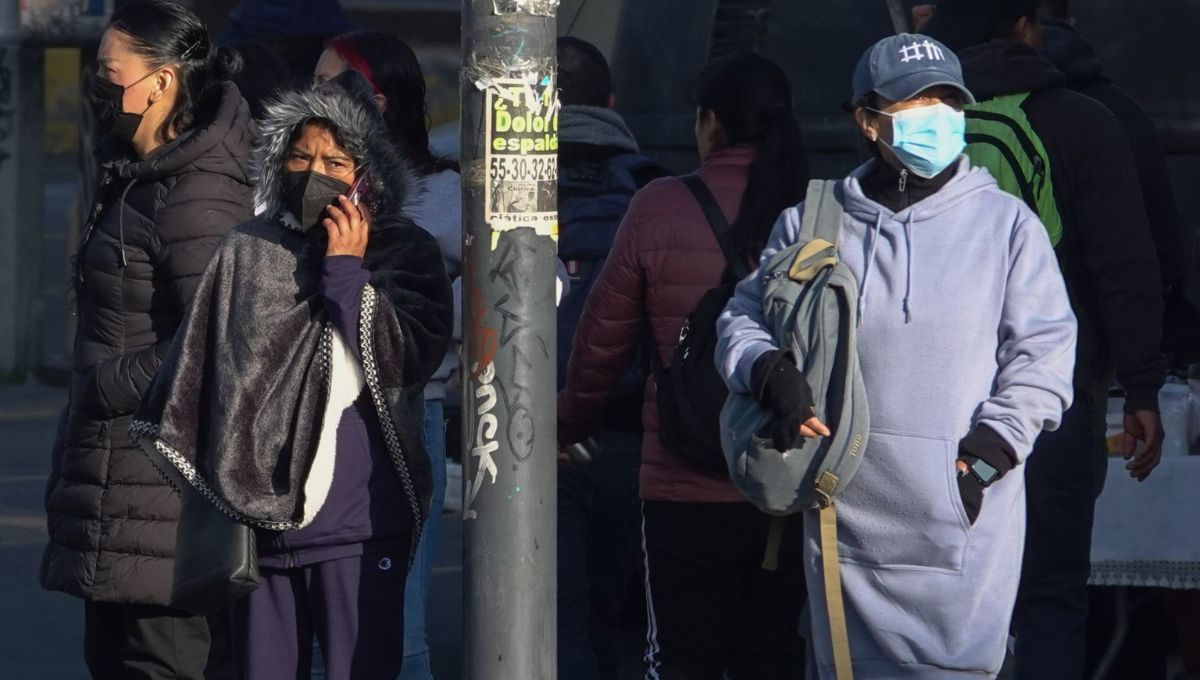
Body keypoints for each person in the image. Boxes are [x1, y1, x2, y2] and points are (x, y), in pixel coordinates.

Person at [717, 33, 1077, 678]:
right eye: (914, 101)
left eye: (947, 100)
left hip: (964, 523)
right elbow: (741, 317)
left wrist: (985, 460)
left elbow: (1044, 355)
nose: (935, 114)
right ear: (867, 119)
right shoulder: (813, 221)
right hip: (841, 515)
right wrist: (766, 369)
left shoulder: (1008, 225)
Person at [131, 69, 453, 680]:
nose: (314, 172)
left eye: (335, 161)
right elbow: (205, 374)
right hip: (260, 532)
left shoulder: (404, 252)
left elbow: (404, 357)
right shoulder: (249, 248)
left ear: (367, 176)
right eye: (300, 156)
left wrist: (346, 273)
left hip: (360, 527)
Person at [923, 4, 1168, 678]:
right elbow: (1127, 265)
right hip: (1052, 405)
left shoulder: (915, 129)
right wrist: (1143, 384)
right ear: (1027, 28)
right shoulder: (1085, 123)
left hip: (933, 409)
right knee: (1048, 604)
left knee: (939, 608)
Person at [557, 51, 809, 678]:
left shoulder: (660, 204)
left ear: (711, 123)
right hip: (787, 475)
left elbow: (600, 344)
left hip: (681, 479)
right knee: (771, 654)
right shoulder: (817, 212)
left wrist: (570, 425)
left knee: (680, 656)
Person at [40, 1, 253, 677]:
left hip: (164, 491)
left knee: (160, 662)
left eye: (110, 72)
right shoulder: (138, 173)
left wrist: (107, 386)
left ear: (161, 82)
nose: (98, 87)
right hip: (122, 487)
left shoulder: (196, 189)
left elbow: (222, 335)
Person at [315, 30, 462, 679]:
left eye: (326, 83)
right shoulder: (300, 190)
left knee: (396, 629)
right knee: (321, 629)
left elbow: (450, 316)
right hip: (315, 416)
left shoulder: (447, 193)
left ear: (372, 98)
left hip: (405, 414)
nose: (310, 99)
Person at [553, 35, 668, 680]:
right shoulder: (654, 190)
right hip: (631, 435)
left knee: (556, 621)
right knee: (627, 626)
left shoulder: (496, 191)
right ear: (613, 102)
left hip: (532, 439)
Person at [1037, 0, 1200, 368]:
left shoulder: (968, 114)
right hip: (1098, 355)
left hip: (996, 360)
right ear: (1072, 22)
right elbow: (1154, 255)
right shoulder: (1119, 114)